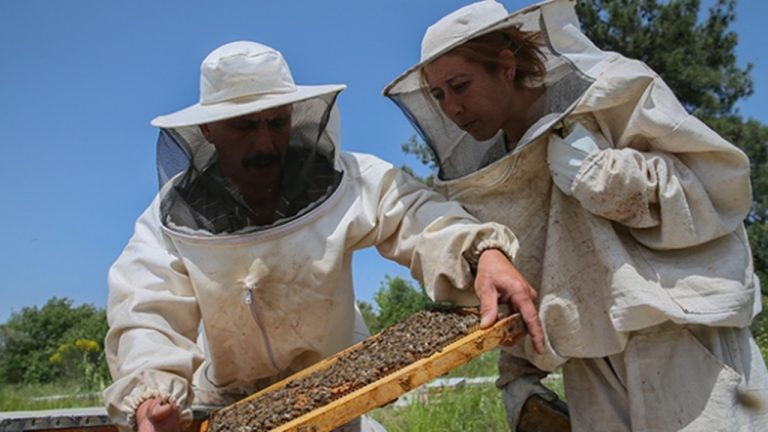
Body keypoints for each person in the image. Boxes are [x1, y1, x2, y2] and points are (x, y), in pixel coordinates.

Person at [103, 40, 545, 432]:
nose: (264, 143)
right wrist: (152, 393)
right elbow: (146, 308)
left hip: (336, 399)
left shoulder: (347, 180)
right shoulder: (168, 221)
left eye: (276, 122)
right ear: (208, 130)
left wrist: (480, 251)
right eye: (243, 127)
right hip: (224, 407)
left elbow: (414, 213)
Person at [384, 0, 768, 430]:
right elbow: (533, 273)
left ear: (506, 66)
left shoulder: (612, 91)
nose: (450, 107)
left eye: (459, 85)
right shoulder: (491, 171)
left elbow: (718, 190)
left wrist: (608, 176)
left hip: (683, 337)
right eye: (438, 94)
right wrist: (519, 372)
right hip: (588, 362)